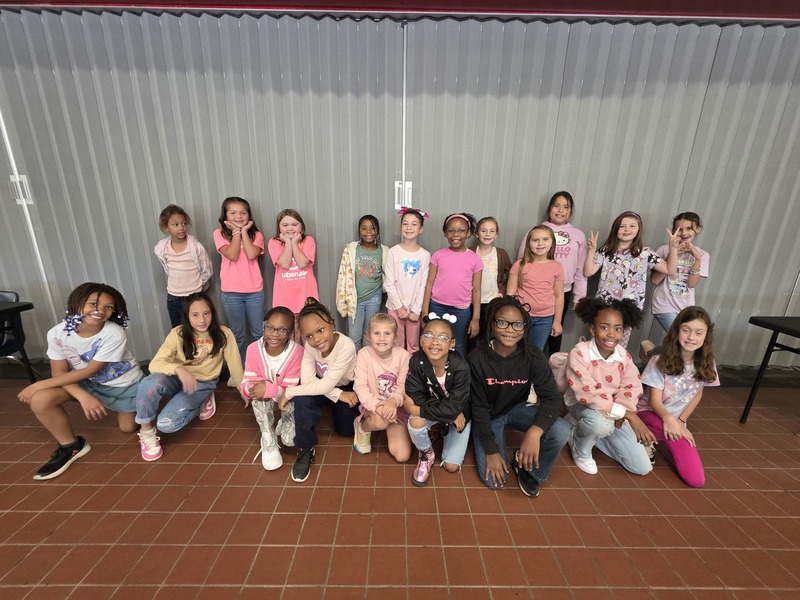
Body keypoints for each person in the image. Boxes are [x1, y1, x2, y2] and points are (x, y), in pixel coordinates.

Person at [17, 283, 142, 480]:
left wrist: (39, 384)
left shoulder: (114, 333)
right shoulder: (57, 333)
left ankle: (147, 398)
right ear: (77, 302)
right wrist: (83, 396)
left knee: (127, 428)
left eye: (108, 307)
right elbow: (59, 372)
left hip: (122, 385)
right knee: (40, 399)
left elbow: (92, 370)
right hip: (86, 383)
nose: (100, 311)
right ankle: (71, 446)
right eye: (93, 303)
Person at [468, 295, 570, 497]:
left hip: (518, 409)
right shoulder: (476, 358)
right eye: (503, 322)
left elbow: (552, 398)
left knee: (561, 430)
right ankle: (498, 449)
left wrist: (534, 432)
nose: (510, 329)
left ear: (525, 327)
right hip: (489, 415)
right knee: (494, 481)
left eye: (517, 324)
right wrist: (491, 450)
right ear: (492, 324)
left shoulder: (532, 355)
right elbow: (478, 408)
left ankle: (531, 470)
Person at [135, 293, 242, 461]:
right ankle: (147, 432)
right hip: (176, 378)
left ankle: (204, 397)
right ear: (187, 316)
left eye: (206, 313)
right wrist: (178, 369)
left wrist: (244, 391)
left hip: (203, 382)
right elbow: (154, 364)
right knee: (149, 383)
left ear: (212, 313)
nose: (202, 320)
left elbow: (235, 364)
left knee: (166, 425)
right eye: (195, 315)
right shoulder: (177, 334)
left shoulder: (224, 334)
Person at [563, 297, 655, 476]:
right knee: (599, 423)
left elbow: (631, 386)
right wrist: (627, 415)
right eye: (604, 327)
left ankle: (588, 431)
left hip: (613, 411)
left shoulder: (624, 356)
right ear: (592, 329)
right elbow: (587, 394)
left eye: (618, 329)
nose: (611, 334)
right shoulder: (579, 353)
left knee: (642, 468)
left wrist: (621, 414)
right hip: (582, 405)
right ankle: (579, 447)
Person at [638, 306, 719, 488]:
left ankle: (649, 437)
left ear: (706, 336)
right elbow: (654, 401)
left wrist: (681, 421)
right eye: (686, 330)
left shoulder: (708, 362)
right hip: (648, 412)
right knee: (667, 430)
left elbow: (698, 392)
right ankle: (639, 434)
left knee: (696, 480)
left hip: (675, 419)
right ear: (677, 330)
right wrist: (669, 418)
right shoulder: (659, 361)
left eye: (699, 333)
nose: (691, 337)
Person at [281, 298, 360, 483]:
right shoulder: (310, 346)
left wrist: (289, 391)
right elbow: (309, 380)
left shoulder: (346, 346)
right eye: (308, 336)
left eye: (320, 330)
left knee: (345, 430)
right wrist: (337, 395)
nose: (316, 340)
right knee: (303, 399)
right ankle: (306, 448)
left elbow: (325, 385)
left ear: (331, 324)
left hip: (344, 386)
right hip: (326, 386)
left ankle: (331, 406)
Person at [584, 211, 679, 347]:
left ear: (639, 229)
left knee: (619, 346)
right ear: (615, 229)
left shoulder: (645, 253)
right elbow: (588, 271)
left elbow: (670, 270)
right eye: (622, 226)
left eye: (632, 226)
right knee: (597, 343)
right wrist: (592, 251)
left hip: (629, 310)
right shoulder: (606, 251)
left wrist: (673, 248)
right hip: (604, 306)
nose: (627, 229)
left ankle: (615, 368)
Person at [404, 315, 471, 487]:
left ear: (452, 343)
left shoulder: (461, 367)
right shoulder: (416, 361)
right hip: (447, 412)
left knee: (451, 466)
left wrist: (450, 412)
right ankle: (426, 453)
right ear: (421, 340)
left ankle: (440, 430)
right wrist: (447, 411)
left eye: (443, 337)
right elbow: (415, 394)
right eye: (428, 336)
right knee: (415, 422)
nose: (435, 342)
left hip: (459, 415)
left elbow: (452, 407)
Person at [518, 191, 587, 355]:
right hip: (534, 290)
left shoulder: (578, 235)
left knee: (555, 329)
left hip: (562, 291)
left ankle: (551, 365)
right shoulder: (535, 231)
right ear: (550, 208)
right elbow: (522, 261)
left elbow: (581, 269)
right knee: (527, 329)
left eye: (566, 207)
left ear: (570, 211)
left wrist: (579, 297)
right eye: (556, 205)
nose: (561, 210)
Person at [240, 307, 304, 471]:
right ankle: (268, 438)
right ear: (264, 326)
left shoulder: (297, 352)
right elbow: (246, 384)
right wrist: (254, 389)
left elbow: (290, 389)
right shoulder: (253, 349)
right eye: (270, 328)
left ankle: (286, 419)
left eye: (282, 330)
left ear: (291, 332)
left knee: (290, 440)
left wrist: (268, 388)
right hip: (264, 400)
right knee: (258, 398)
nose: (275, 334)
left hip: (288, 400)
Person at [641, 212, 710, 359]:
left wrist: (697, 259)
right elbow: (654, 280)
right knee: (682, 339)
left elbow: (691, 284)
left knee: (687, 344)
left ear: (698, 229)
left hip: (686, 308)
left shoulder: (703, 255)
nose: (684, 233)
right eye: (679, 229)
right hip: (664, 305)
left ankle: (651, 352)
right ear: (673, 231)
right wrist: (673, 253)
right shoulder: (663, 250)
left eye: (688, 228)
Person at [213, 196, 265, 370]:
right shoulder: (219, 233)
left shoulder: (256, 234)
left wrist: (243, 232)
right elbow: (232, 255)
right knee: (238, 335)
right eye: (233, 212)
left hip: (254, 292)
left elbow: (251, 254)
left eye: (243, 212)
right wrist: (236, 232)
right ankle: (240, 370)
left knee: (259, 333)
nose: (239, 216)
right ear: (225, 215)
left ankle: (258, 368)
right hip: (231, 293)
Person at [352, 313, 412, 462]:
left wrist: (393, 402)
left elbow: (403, 386)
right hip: (373, 405)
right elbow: (360, 386)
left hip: (395, 407)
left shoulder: (404, 356)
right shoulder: (364, 354)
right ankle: (362, 428)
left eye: (387, 333)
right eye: (376, 333)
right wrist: (377, 407)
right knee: (380, 421)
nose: (382, 338)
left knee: (402, 456)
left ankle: (390, 426)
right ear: (368, 336)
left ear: (396, 337)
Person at [421, 212, 483, 356]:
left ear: (469, 233)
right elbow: (429, 284)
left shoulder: (475, 259)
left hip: (461, 311)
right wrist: (425, 311)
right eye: (451, 230)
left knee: (457, 343)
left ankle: (457, 375)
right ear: (445, 233)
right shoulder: (438, 255)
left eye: (461, 230)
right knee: (434, 342)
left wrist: (475, 318)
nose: (456, 234)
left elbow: (477, 291)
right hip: (437, 306)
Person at [154, 204, 213, 328]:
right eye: (175, 224)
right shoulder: (162, 248)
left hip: (194, 296)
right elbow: (167, 268)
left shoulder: (196, 247)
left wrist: (197, 286)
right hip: (173, 297)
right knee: (179, 331)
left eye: (184, 223)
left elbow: (207, 270)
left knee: (199, 329)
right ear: (166, 227)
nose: (181, 227)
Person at [507, 225, 564, 350]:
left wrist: (557, 321)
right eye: (535, 240)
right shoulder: (519, 265)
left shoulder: (557, 267)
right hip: (521, 316)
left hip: (545, 319)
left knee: (536, 351)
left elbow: (559, 296)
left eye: (545, 239)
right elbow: (510, 294)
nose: (540, 244)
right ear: (529, 243)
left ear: (552, 243)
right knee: (516, 349)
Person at [336, 214, 389, 349]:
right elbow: (343, 275)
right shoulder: (351, 249)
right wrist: (342, 301)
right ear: (359, 231)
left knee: (369, 335)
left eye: (372, 228)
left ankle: (366, 365)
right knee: (354, 337)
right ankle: (355, 367)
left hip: (374, 298)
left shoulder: (384, 251)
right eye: (364, 228)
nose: (368, 232)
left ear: (378, 231)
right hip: (355, 300)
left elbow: (389, 275)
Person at [383, 208, 430, 353]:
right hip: (395, 307)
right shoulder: (393, 252)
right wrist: (398, 307)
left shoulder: (425, 255)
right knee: (395, 343)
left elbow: (424, 285)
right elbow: (388, 283)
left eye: (414, 224)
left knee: (413, 345)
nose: (409, 227)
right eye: (405, 224)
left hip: (414, 309)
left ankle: (412, 373)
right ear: (400, 227)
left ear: (421, 229)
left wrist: (416, 309)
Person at [468, 216, 511, 353]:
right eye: (484, 230)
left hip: (491, 302)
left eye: (492, 231)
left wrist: (502, 291)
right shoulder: (469, 252)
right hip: (471, 303)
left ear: (496, 234)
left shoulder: (501, 253)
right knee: (471, 337)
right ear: (476, 233)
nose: (487, 234)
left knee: (487, 337)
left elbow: (512, 274)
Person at [268, 209, 318, 318]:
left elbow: (302, 263)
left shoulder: (308, 240)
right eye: (285, 225)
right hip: (284, 297)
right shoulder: (273, 242)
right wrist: (287, 242)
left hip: (306, 295)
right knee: (287, 330)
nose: (290, 228)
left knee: (306, 329)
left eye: (295, 225)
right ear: (279, 227)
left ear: (301, 226)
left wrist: (294, 242)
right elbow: (285, 264)